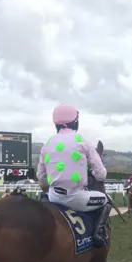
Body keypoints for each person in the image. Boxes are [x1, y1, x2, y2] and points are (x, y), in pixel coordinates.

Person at [36, 104, 111, 247]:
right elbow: (101, 175)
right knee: (106, 200)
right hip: (75, 198)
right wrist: (92, 172)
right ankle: (98, 234)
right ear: (75, 121)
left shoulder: (47, 144)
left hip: (53, 196)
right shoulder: (82, 142)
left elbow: (40, 175)